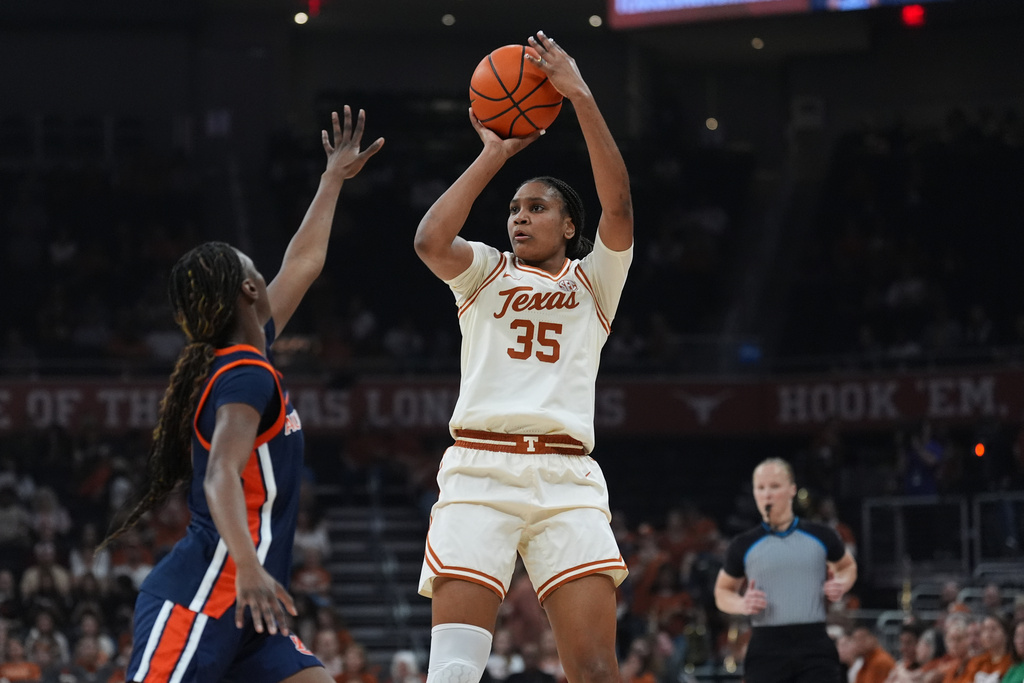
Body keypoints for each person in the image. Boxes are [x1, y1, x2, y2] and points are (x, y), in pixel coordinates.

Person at [96, 106, 383, 682]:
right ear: (250, 288)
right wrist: (249, 568)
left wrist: (331, 179)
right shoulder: (245, 374)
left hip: (250, 609)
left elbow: (304, 261)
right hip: (206, 595)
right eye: (255, 265)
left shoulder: (251, 353)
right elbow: (220, 473)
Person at [413, 30, 632, 683]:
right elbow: (429, 240)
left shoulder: (594, 281)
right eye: (513, 208)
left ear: (570, 225)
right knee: (454, 671)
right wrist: (494, 155)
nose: (519, 217)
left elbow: (619, 204)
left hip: (566, 477)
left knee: (596, 668)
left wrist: (579, 95)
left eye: (537, 207)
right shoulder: (485, 271)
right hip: (480, 469)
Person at [713, 458, 858, 683]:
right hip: (766, 644)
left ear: (792, 490)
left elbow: (847, 567)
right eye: (761, 488)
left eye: (774, 486)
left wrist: (841, 583)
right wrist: (742, 604)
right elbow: (722, 592)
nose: (767, 495)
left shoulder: (821, 535)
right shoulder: (743, 544)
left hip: (814, 641)